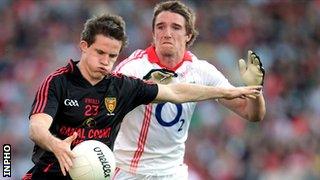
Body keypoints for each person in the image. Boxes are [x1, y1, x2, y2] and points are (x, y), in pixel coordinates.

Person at [22, 13, 261, 180]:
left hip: (104, 172)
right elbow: (37, 128)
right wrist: (57, 145)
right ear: (84, 46)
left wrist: (226, 91)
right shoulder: (58, 82)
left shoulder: (121, 86)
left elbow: (176, 91)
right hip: (51, 172)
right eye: (100, 52)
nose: (105, 61)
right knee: (6, 161)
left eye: (112, 56)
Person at [112, 1, 266, 179]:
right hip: (129, 171)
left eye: (176, 27)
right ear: (153, 34)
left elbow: (251, 113)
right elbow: (104, 111)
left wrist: (256, 91)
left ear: (188, 35)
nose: (167, 33)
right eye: (160, 27)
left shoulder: (200, 70)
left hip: (172, 172)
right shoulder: (132, 68)